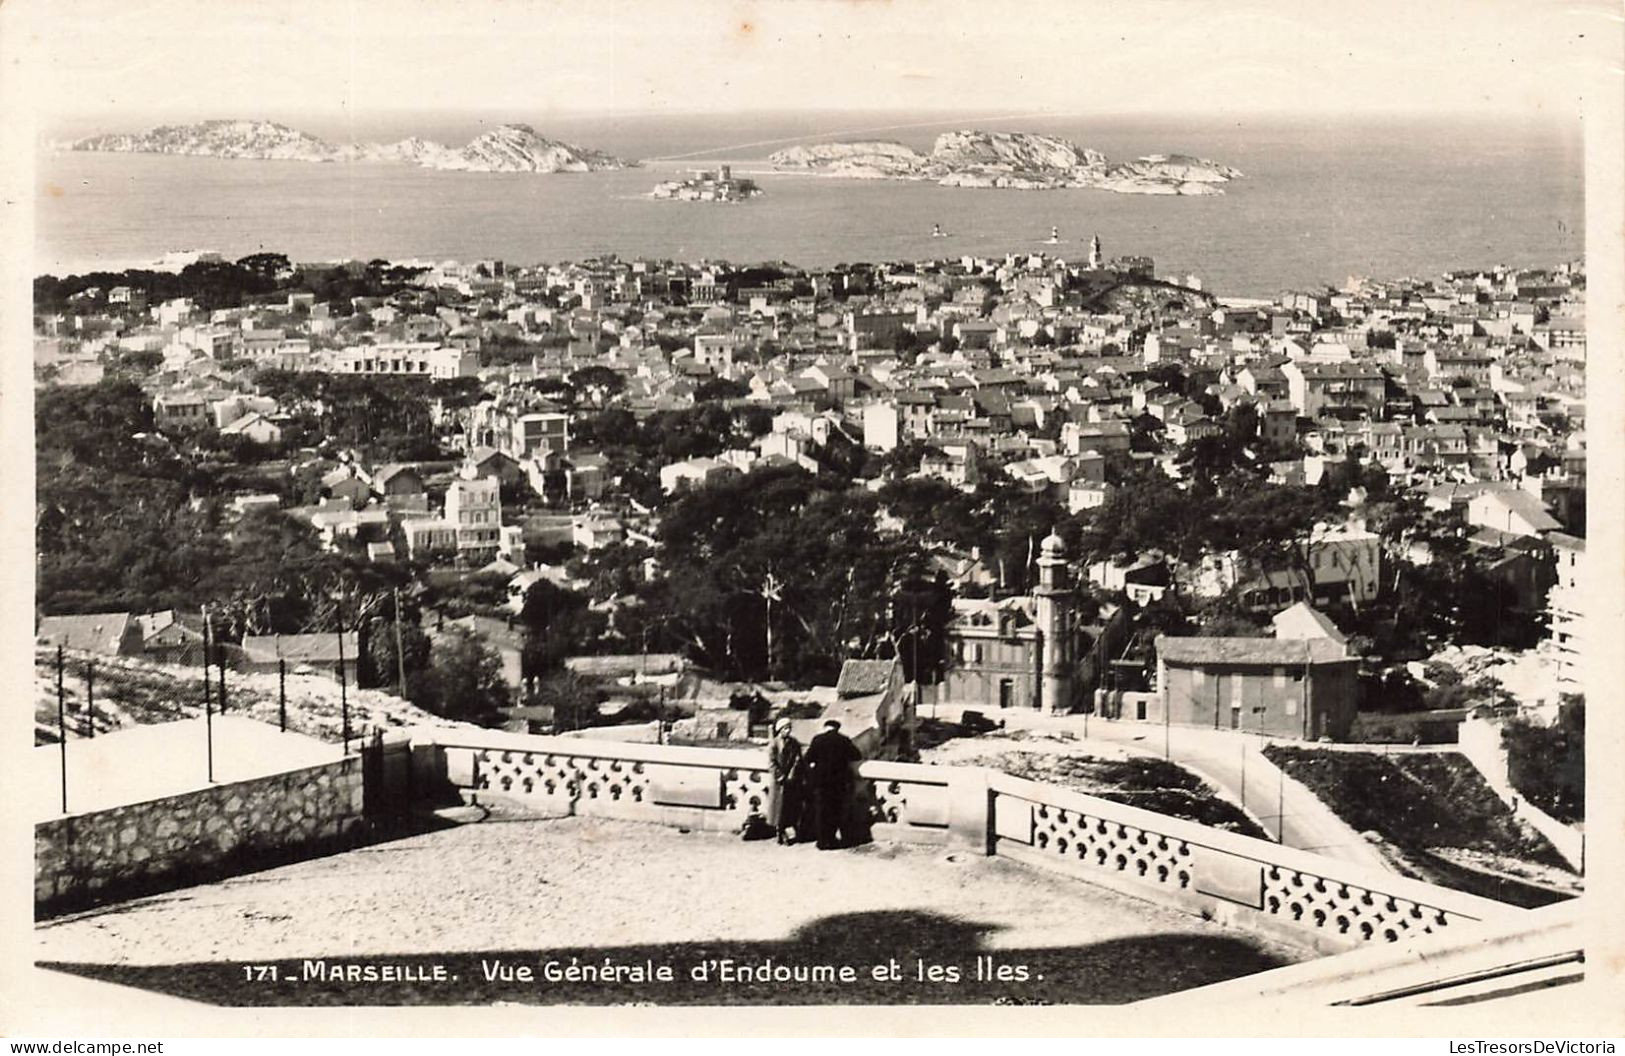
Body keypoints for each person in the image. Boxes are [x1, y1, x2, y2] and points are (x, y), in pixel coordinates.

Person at [802, 719, 862, 850]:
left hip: (821, 782)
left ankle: (822, 841)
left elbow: (808, 758)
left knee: (821, 811)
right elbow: (857, 755)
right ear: (837, 728)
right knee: (835, 811)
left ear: (825, 727)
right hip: (838, 782)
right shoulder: (844, 740)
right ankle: (832, 839)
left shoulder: (817, 739)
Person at [767, 719, 804, 845]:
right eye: (785, 728)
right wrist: (780, 776)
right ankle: (779, 831)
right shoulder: (774, 744)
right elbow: (771, 763)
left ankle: (786, 830)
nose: (788, 731)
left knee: (789, 807)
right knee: (778, 808)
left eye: (789, 728)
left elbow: (798, 760)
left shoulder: (794, 743)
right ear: (780, 729)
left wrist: (792, 774)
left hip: (791, 780)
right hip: (778, 781)